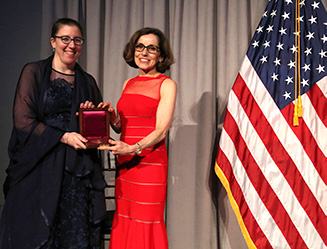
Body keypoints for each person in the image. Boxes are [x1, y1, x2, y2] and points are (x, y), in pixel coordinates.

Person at [0, 18, 107, 249]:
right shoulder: (34, 72)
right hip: (40, 165)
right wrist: (64, 136)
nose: (71, 45)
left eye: (77, 40)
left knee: (74, 234)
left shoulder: (88, 81)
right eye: (65, 39)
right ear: (53, 41)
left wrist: (92, 118)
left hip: (76, 173)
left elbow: (94, 130)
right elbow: (23, 120)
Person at [98, 27, 177, 249]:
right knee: (125, 218)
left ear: (161, 55)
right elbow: (123, 126)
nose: (144, 52)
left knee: (145, 221)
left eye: (152, 48)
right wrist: (113, 118)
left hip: (150, 165)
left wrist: (132, 148)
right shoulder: (128, 84)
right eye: (140, 46)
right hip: (126, 165)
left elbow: (162, 130)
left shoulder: (166, 85)